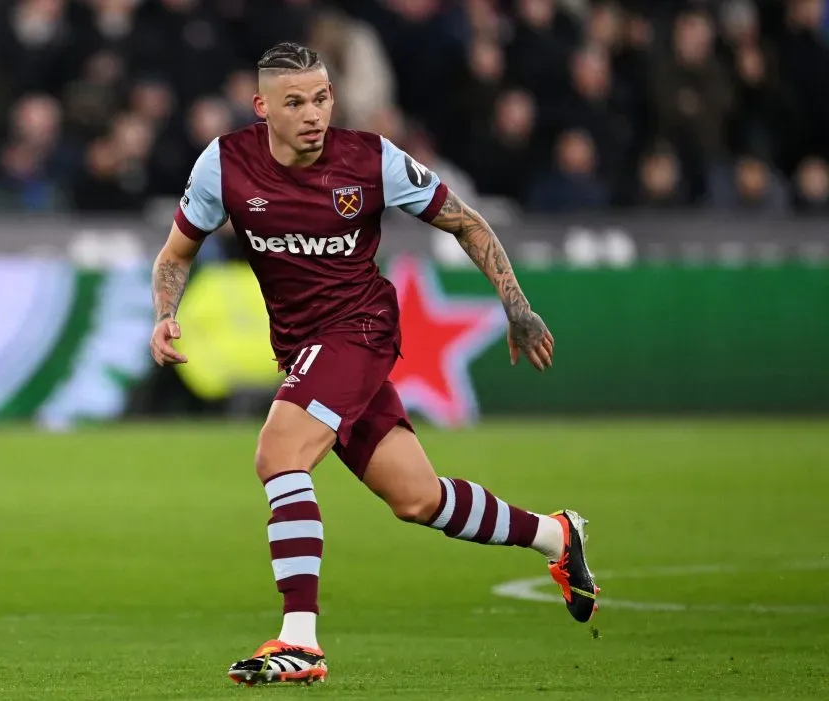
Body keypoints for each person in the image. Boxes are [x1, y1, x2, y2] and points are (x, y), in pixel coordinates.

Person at [149, 42, 599, 687]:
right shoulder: (223, 165)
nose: (313, 114)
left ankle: (300, 640)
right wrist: (165, 312)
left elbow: (466, 223)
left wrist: (517, 307)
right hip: (303, 348)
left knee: (278, 454)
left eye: (323, 98)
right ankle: (557, 537)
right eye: (296, 102)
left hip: (360, 330)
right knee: (418, 499)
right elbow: (174, 254)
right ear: (262, 108)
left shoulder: (371, 159)